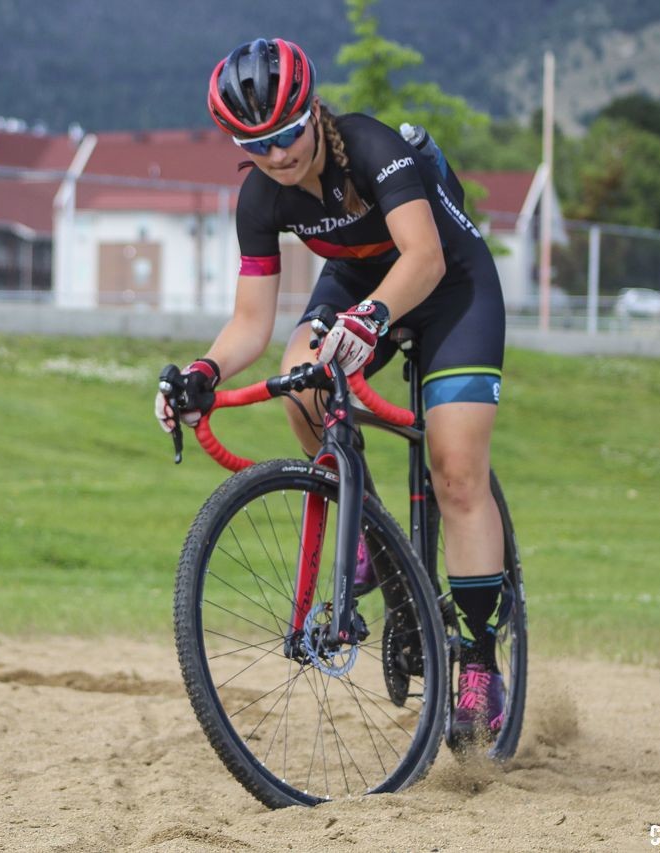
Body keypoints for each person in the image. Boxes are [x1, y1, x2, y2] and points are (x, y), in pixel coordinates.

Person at [154, 38, 507, 739]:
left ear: (313, 111)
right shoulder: (260, 196)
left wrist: (375, 316)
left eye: (286, 134)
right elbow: (251, 323)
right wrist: (201, 373)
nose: (277, 155)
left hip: (449, 287)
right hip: (357, 282)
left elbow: (425, 257)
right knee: (300, 383)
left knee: (458, 473)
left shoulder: (372, 147)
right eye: (255, 144)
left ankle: (479, 660)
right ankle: (368, 529)